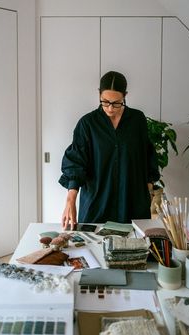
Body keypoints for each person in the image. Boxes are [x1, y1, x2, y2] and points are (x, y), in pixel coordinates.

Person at [59, 71, 160, 230]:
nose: (111, 108)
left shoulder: (137, 120)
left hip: (132, 202)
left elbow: (147, 155)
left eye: (117, 102)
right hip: (97, 204)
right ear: (99, 94)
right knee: (92, 249)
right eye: (105, 101)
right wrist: (70, 200)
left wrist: (148, 189)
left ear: (125, 96)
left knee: (134, 250)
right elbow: (76, 162)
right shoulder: (88, 124)